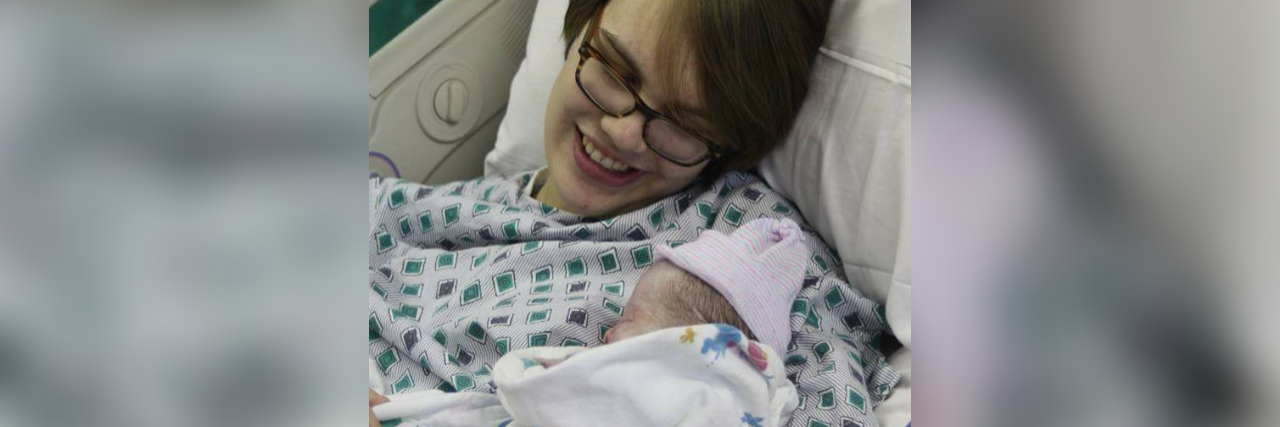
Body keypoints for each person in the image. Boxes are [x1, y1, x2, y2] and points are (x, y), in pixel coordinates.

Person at [369, 1, 899, 426]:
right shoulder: (419, 213)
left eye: (682, 124)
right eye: (615, 73)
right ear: (578, 28)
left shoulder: (756, 257)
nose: (623, 133)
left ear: (728, 142)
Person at [370, 219, 809, 427]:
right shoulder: (755, 404)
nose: (606, 334)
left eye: (628, 319)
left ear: (684, 346)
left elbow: (521, 384)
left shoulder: (670, 393)